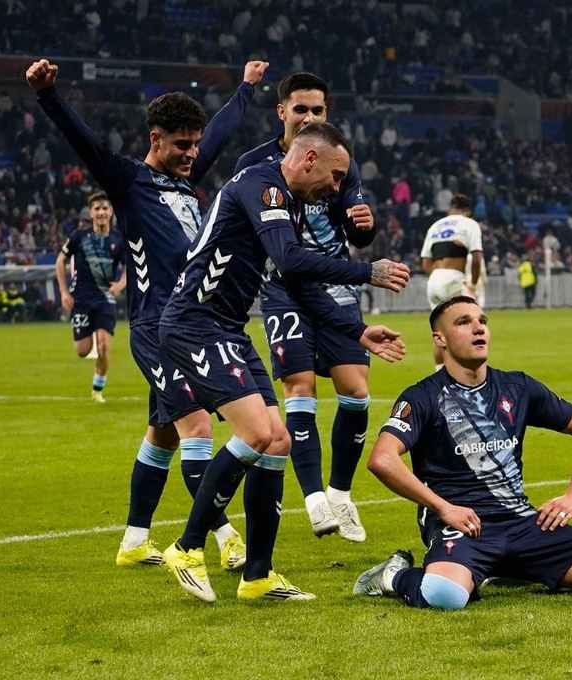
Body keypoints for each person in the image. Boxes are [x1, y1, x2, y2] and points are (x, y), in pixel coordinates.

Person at [157, 121, 411, 602]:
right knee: (256, 433)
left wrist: (356, 330)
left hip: (227, 328)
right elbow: (292, 262)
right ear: (310, 159)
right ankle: (187, 547)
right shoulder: (260, 183)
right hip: (193, 322)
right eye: (336, 177)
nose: (337, 189)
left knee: (276, 442)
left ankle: (258, 576)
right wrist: (366, 272)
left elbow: (295, 283)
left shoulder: (288, 204)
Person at [28, 57, 264, 569]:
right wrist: (48, 95)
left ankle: (134, 539)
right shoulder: (128, 181)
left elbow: (221, 135)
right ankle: (222, 540)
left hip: (192, 325)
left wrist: (244, 89)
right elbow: (84, 143)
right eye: (181, 145)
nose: (192, 154)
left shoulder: (188, 180)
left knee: (162, 435)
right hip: (157, 329)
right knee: (199, 429)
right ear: (155, 139)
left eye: (194, 144)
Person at [353, 296, 572, 609]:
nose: (478, 328)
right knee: (444, 596)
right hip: (463, 524)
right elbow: (382, 459)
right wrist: (443, 508)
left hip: (521, 521)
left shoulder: (518, 387)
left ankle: (509, 565)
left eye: (482, 322)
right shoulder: (422, 396)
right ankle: (394, 576)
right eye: (463, 322)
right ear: (441, 339)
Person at [232, 72, 378, 542]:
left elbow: (355, 232)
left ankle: (340, 492)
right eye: (301, 109)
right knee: (300, 387)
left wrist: (363, 226)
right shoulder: (256, 164)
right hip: (283, 287)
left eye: (318, 110)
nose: (310, 117)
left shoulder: (341, 160)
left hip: (334, 283)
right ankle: (315, 499)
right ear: (282, 112)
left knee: (356, 391)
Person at [57, 192, 127, 403]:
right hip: (81, 300)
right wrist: (63, 292)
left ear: (111, 211)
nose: (101, 212)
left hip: (105, 299)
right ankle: (94, 367)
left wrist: (121, 284)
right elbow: (60, 261)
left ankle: (97, 389)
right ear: (91, 212)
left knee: (104, 345)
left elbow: (130, 267)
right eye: (97, 208)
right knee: (82, 350)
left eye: (105, 208)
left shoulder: (118, 239)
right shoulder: (79, 236)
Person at [421, 194, 484, 369]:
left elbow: (425, 262)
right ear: (468, 211)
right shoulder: (469, 224)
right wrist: (472, 284)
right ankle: (469, 376)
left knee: (440, 332)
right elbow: (477, 257)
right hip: (454, 279)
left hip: (434, 280)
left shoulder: (435, 226)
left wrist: (439, 276)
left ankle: (439, 379)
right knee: (472, 326)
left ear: (451, 207)